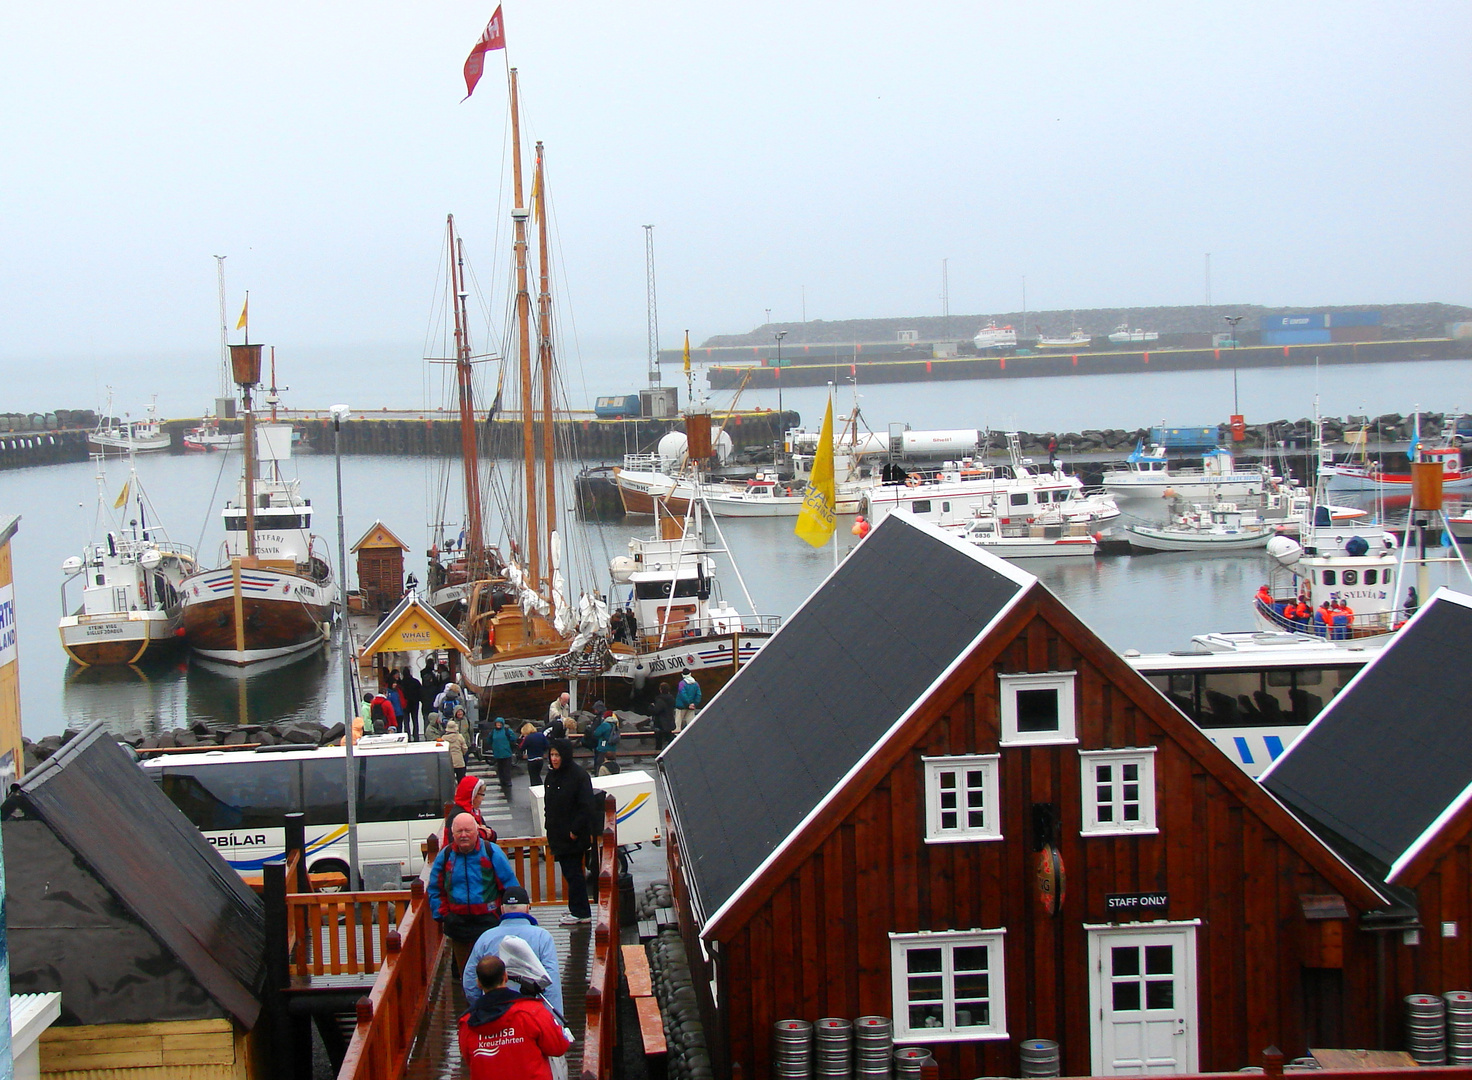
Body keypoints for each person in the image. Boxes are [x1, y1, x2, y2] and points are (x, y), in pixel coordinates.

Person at [428, 813, 521, 979]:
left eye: (468, 830)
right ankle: (469, 1002)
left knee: (492, 973)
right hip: (458, 923)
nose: (464, 835)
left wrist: (513, 918)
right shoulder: (445, 855)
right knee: (466, 975)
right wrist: (444, 915)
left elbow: (510, 886)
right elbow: (435, 889)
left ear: (477, 831)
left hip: (489, 921)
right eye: (459, 831)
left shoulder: (491, 852)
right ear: (453, 834)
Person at [458, 955, 570, 1080]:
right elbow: (558, 1046)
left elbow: (470, 1060)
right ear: (505, 977)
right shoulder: (531, 1012)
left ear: (478, 983)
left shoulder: (467, 1023)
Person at [462, 886, 562, 1016]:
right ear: (527, 908)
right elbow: (551, 981)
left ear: (502, 909)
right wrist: (556, 1021)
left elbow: (469, 980)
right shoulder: (542, 937)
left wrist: (482, 1005)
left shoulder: (486, 938)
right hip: (531, 1013)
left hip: (495, 1012)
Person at [543, 738, 598, 926]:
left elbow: (586, 807)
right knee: (569, 874)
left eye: (557, 755)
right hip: (557, 835)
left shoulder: (579, 776)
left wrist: (574, 831)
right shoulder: (552, 776)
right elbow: (549, 804)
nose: (554, 759)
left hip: (572, 838)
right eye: (551, 755)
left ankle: (581, 912)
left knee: (574, 874)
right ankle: (576, 908)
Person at [445, 775, 497, 845]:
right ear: (473, 795)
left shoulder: (473, 812)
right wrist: (484, 832)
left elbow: (489, 833)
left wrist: (490, 833)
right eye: (481, 795)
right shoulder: (458, 815)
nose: (483, 798)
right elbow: (461, 842)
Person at [488, 717, 516, 798]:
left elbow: (513, 738)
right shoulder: (493, 732)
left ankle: (507, 781)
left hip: (506, 753)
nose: (498, 725)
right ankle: (502, 781)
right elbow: (489, 740)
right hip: (498, 753)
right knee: (500, 768)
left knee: (506, 768)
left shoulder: (507, 730)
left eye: (500, 723)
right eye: (497, 723)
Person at [649, 681, 676, 753]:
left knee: (659, 742)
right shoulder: (672, 699)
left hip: (660, 723)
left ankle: (658, 755)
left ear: (661, 690)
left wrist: (651, 707)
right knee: (669, 738)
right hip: (669, 721)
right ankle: (672, 752)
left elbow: (656, 710)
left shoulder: (660, 700)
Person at [520, 722, 548, 787]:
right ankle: (541, 789)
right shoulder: (541, 735)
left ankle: (535, 792)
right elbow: (547, 745)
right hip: (540, 759)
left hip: (532, 760)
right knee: (538, 776)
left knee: (533, 778)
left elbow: (522, 748)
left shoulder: (528, 738)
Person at [400, 665, 423, 740]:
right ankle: (416, 736)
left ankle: (408, 736)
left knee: (406, 721)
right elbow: (420, 692)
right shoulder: (415, 682)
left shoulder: (401, 683)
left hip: (405, 704)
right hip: (414, 703)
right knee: (415, 720)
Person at [590, 710, 617, 774]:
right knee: (612, 765)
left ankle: (599, 776)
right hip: (613, 748)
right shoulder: (615, 724)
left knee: (600, 763)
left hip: (603, 747)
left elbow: (596, 733)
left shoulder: (605, 725)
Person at [446, 718, 469, 783]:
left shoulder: (443, 738)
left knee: (449, 781)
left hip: (449, 762)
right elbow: (465, 748)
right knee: (461, 780)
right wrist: (462, 754)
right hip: (459, 761)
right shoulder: (460, 737)